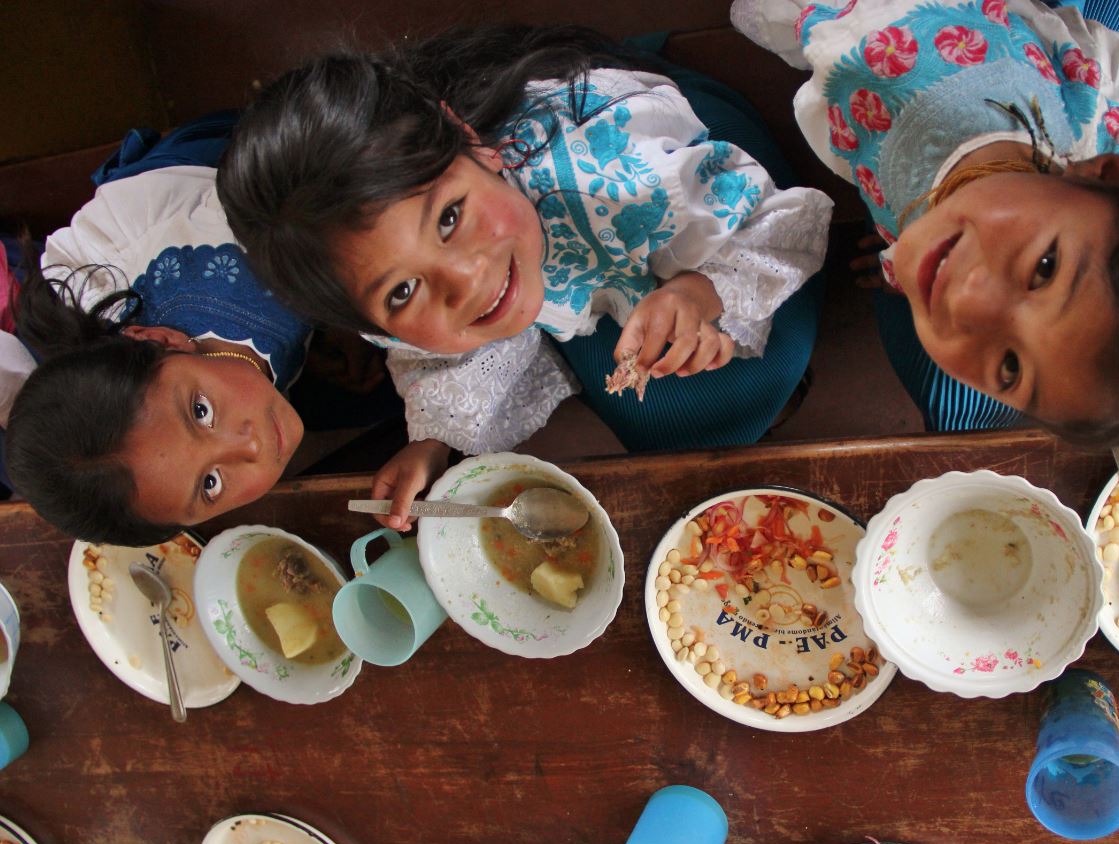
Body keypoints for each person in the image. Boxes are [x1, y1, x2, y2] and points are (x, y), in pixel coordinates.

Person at [217, 25, 834, 529]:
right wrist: (432, 442)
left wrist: (698, 291)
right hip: (562, 248)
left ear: (471, 142)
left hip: (708, 188)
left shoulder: (615, 169)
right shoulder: (400, 291)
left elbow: (774, 224)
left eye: (450, 217)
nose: (466, 280)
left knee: (718, 392)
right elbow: (431, 356)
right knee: (651, 405)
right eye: (402, 291)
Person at [731, 0, 1119, 446]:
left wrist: (906, 256)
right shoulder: (891, 56)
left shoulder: (1055, 219)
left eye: (1011, 368)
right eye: (1044, 268)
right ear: (1107, 172)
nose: (965, 302)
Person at [3, 164, 313, 546]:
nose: (250, 446)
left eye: (201, 411)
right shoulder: (205, 383)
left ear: (163, 339)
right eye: (210, 484)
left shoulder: (251, 237)